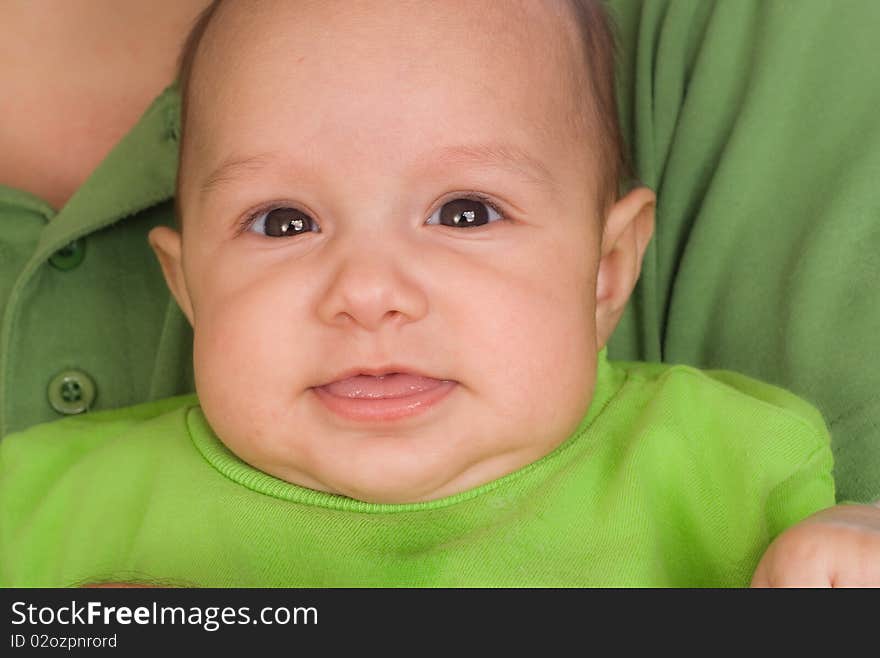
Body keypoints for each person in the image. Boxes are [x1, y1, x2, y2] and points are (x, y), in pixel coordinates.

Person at [0, 0, 843, 587]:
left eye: (464, 211)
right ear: (187, 288)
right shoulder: (41, 511)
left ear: (607, 271)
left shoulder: (729, 469)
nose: (368, 293)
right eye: (283, 223)